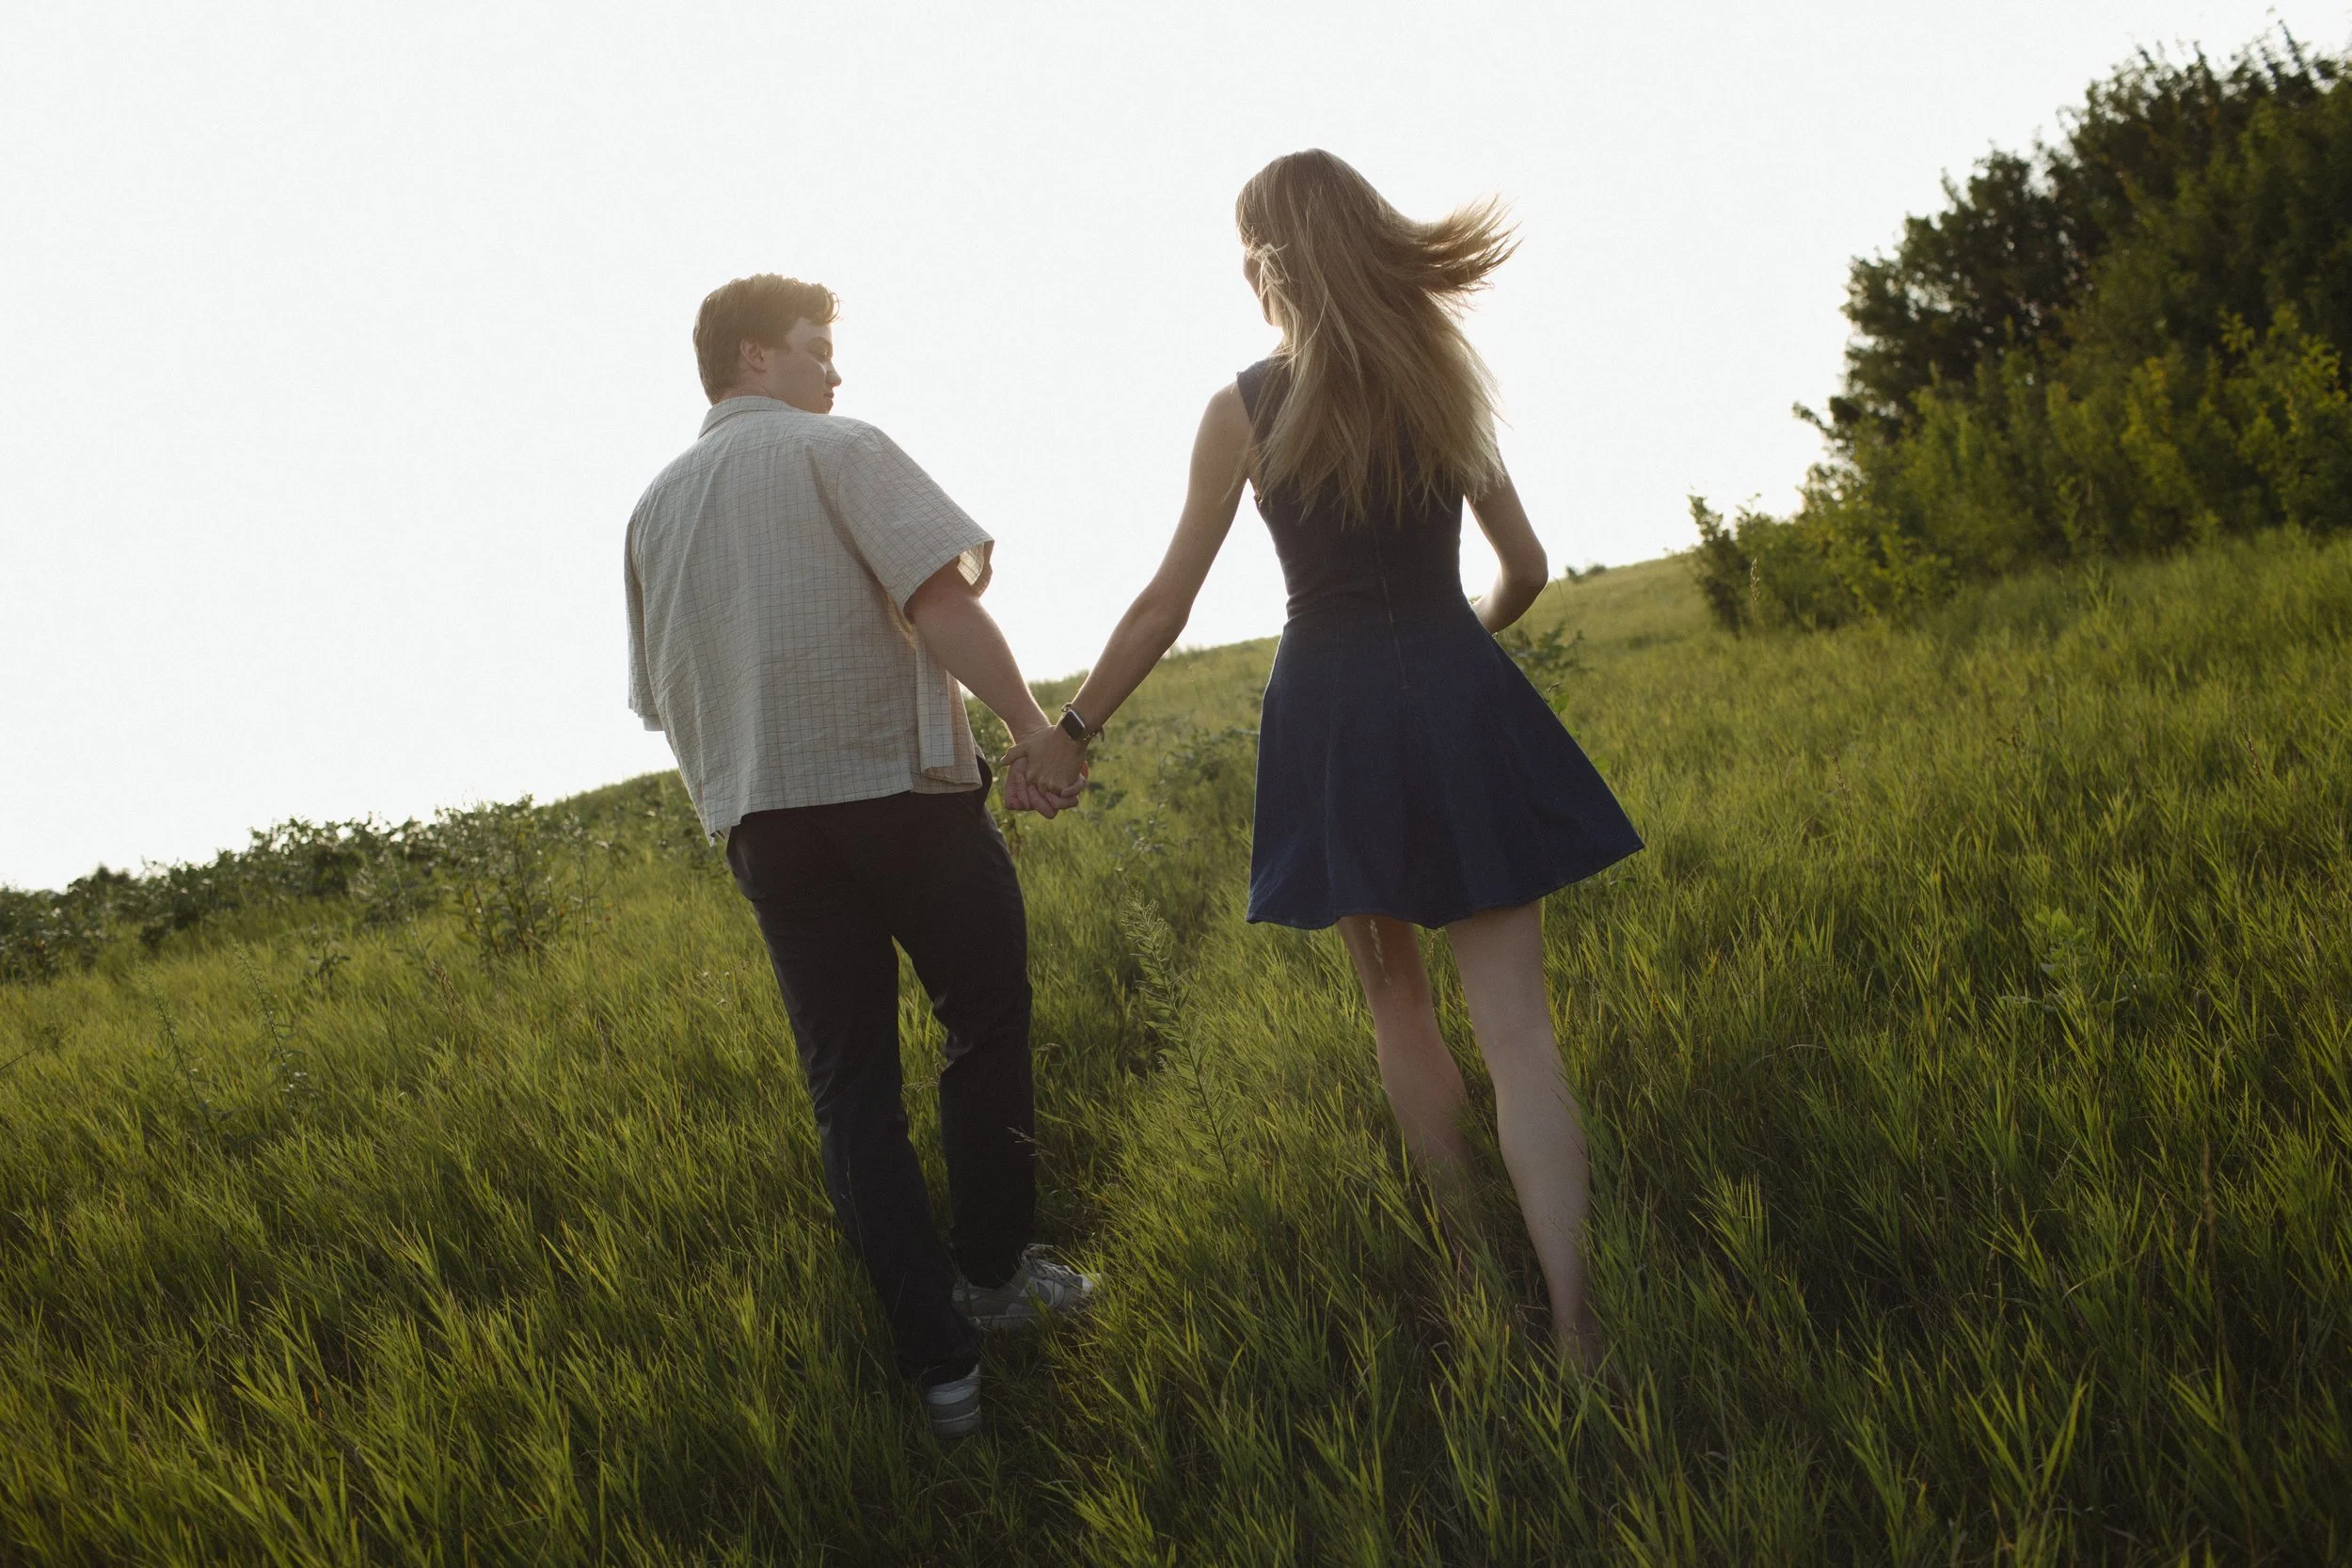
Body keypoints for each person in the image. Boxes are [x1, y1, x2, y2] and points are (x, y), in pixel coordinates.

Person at [1009, 152, 1643, 1365]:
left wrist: (1070, 730)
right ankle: (1577, 1323)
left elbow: (1165, 604)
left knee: (1398, 1008)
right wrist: (1466, 647)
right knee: (1520, 1031)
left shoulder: (1245, 405)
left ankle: (1471, 1277)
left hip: (1333, 715)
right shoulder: (1441, 377)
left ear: (1266, 261)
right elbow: (1527, 567)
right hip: (1457, 691)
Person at [624, 274, 1090, 1439]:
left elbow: (657, 698)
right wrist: (1034, 729)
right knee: (983, 1018)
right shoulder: (837, 450)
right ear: (751, 358)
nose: (835, 372)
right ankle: (993, 1280)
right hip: (899, 793)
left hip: (764, 827)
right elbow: (938, 603)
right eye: (815, 348)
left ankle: (941, 1373)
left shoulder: (650, 512)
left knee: (851, 1096)